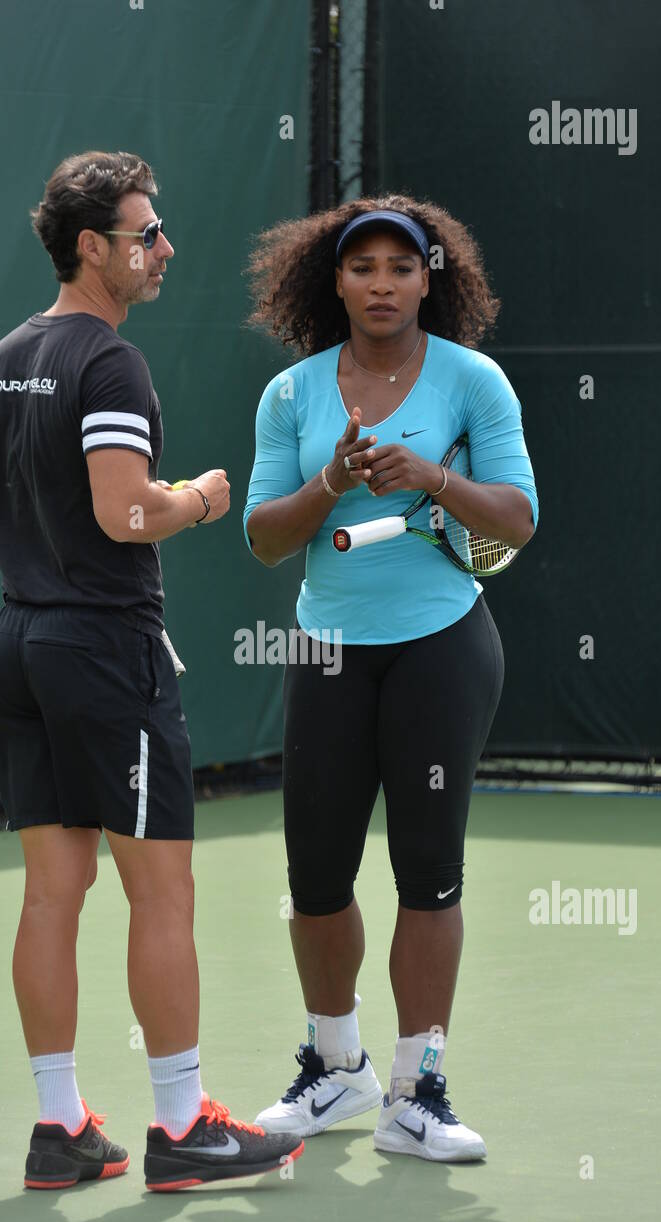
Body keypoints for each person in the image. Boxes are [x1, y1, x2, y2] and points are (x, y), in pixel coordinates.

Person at [0, 150, 303, 1191]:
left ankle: (59, 1130)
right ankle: (180, 1127)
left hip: (19, 646)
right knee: (162, 892)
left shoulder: (2, 357)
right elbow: (125, 513)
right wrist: (198, 494)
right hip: (107, 652)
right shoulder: (111, 365)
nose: (165, 249)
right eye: (145, 233)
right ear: (90, 248)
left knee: (49, 895)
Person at [243, 197, 538, 1162]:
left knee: (428, 873)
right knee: (316, 877)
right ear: (331, 280)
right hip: (325, 651)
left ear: (429, 278)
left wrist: (428, 478)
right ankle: (337, 1070)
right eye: (361, 266)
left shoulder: (473, 381)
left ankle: (417, 1091)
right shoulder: (290, 395)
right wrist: (329, 481)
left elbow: (515, 520)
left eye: (400, 267)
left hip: (441, 648)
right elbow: (261, 538)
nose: (380, 283)